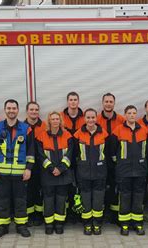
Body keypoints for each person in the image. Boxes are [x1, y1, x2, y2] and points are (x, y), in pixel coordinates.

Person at [0, 99, 35, 238]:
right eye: (9, 108)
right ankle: (2, 226)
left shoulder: (26, 128)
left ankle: (21, 225)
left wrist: (28, 168)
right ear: (5, 110)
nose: (11, 111)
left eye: (14, 108)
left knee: (20, 200)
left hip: (20, 173)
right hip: (2, 173)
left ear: (17, 110)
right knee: (3, 200)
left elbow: (30, 151)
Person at [112, 105, 148, 236]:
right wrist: (120, 164)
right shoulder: (118, 130)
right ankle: (125, 224)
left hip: (140, 170)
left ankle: (138, 223)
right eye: (129, 113)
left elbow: (147, 151)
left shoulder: (144, 130)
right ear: (125, 115)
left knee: (139, 197)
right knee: (125, 197)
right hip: (124, 171)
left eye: (134, 113)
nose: (132, 115)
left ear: (136, 114)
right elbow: (112, 151)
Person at [36, 111, 74, 235]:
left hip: (63, 174)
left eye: (57, 119)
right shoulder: (41, 136)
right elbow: (41, 156)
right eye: (53, 119)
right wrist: (52, 168)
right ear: (49, 121)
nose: (55, 121)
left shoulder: (67, 135)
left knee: (61, 199)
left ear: (60, 121)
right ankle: (49, 224)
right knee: (48, 199)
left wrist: (61, 168)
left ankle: (59, 223)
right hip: (48, 174)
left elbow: (70, 154)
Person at [74, 108, 109, 235]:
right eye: (88, 117)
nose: (90, 120)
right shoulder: (78, 134)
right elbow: (74, 155)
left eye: (93, 117)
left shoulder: (104, 134)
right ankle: (87, 224)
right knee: (86, 199)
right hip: (83, 173)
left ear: (96, 118)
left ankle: (97, 223)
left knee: (98, 199)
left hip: (100, 173)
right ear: (84, 118)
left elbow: (108, 154)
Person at [96, 93, 124, 222]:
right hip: (99, 159)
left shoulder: (121, 120)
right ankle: (100, 214)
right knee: (100, 186)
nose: (108, 103)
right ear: (102, 103)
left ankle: (114, 216)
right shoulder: (95, 119)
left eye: (111, 101)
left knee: (114, 187)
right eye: (106, 101)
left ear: (114, 103)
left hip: (115, 159)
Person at [59, 92, 84, 223]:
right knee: (66, 185)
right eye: (71, 100)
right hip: (64, 157)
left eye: (75, 100)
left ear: (78, 102)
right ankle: (67, 213)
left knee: (79, 186)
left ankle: (78, 212)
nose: (73, 102)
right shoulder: (60, 117)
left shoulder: (85, 117)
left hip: (80, 158)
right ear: (67, 102)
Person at [24, 101, 47, 226]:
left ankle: (38, 215)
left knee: (40, 190)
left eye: (36, 110)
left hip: (41, 164)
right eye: (31, 109)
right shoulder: (21, 126)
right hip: (26, 165)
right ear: (27, 111)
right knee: (27, 191)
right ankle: (29, 215)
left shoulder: (44, 126)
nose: (34, 112)